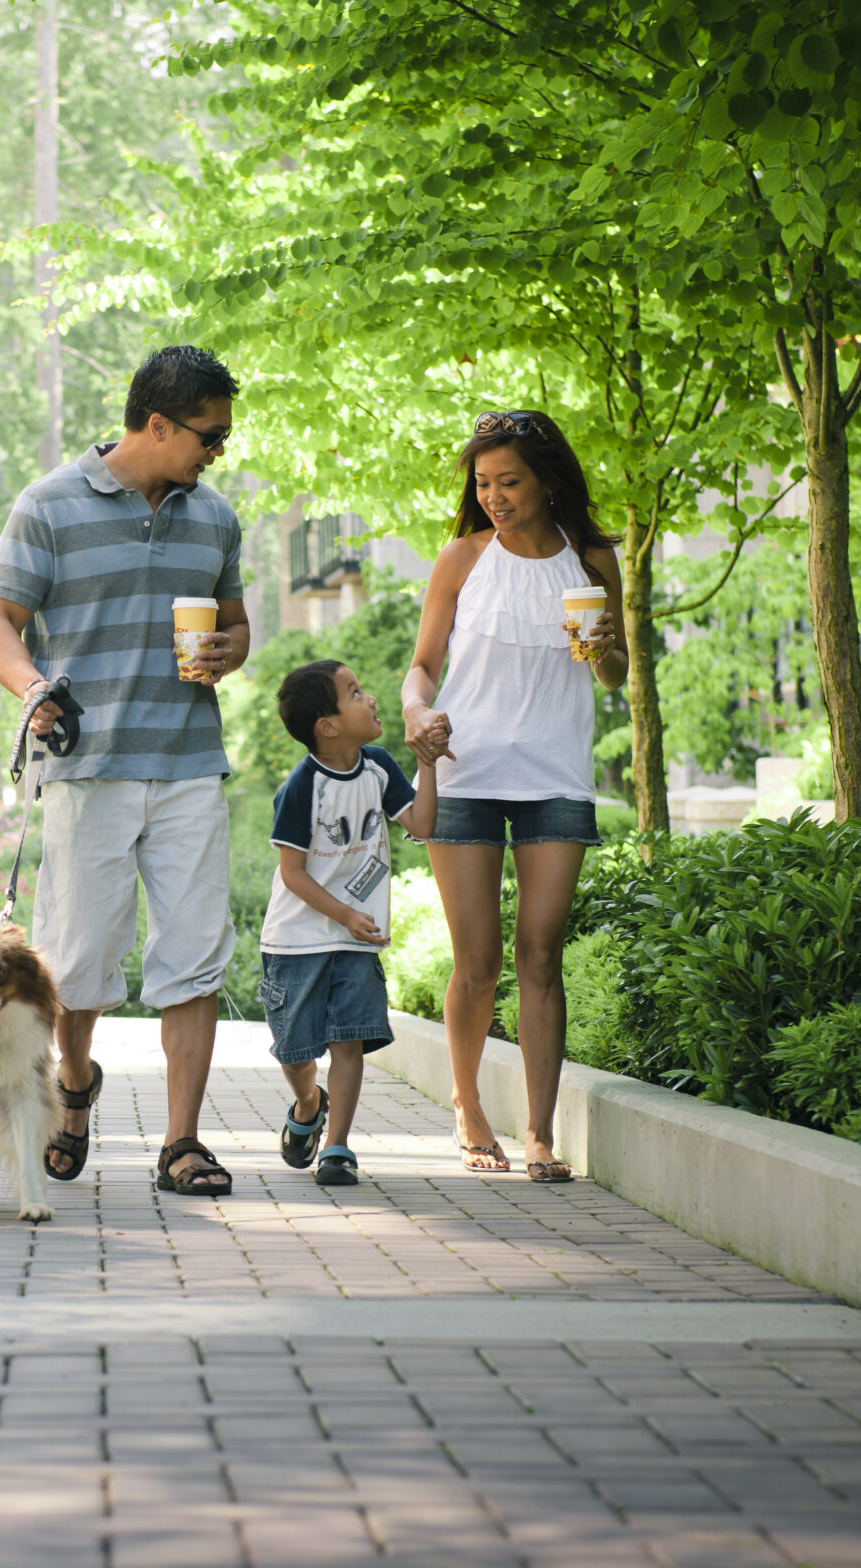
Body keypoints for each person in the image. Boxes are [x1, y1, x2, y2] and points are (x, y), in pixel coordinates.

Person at [0, 345, 248, 1197]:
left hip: (188, 763)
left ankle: (182, 1142)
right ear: (157, 423)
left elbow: (237, 629)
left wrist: (224, 653)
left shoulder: (215, 517)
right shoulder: (50, 505)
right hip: (87, 769)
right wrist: (32, 689)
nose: (218, 452)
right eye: (210, 435)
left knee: (194, 954)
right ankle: (78, 1080)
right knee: (79, 959)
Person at [398, 409, 627, 1180]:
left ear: (548, 479)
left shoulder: (591, 557)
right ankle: (468, 1106)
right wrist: (416, 711)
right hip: (465, 766)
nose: (492, 495)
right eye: (483, 483)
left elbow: (617, 673)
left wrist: (605, 654)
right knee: (479, 960)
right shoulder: (463, 558)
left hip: (555, 774)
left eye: (509, 481)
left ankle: (538, 1133)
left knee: (540, 953)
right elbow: (423, 665)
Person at [260, 659, 439, 1186]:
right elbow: (292, 873)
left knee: (349, 1039)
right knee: (295, 1052)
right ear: (328, 725)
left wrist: (426, 762)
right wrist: (344, 914)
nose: (372, 698)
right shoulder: (302, 786)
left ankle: (337, 1146)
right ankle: (308, 1102)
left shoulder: (379, 766)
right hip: (296, 941)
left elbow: (423, 824)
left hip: (356, 943)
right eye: (355, 691)